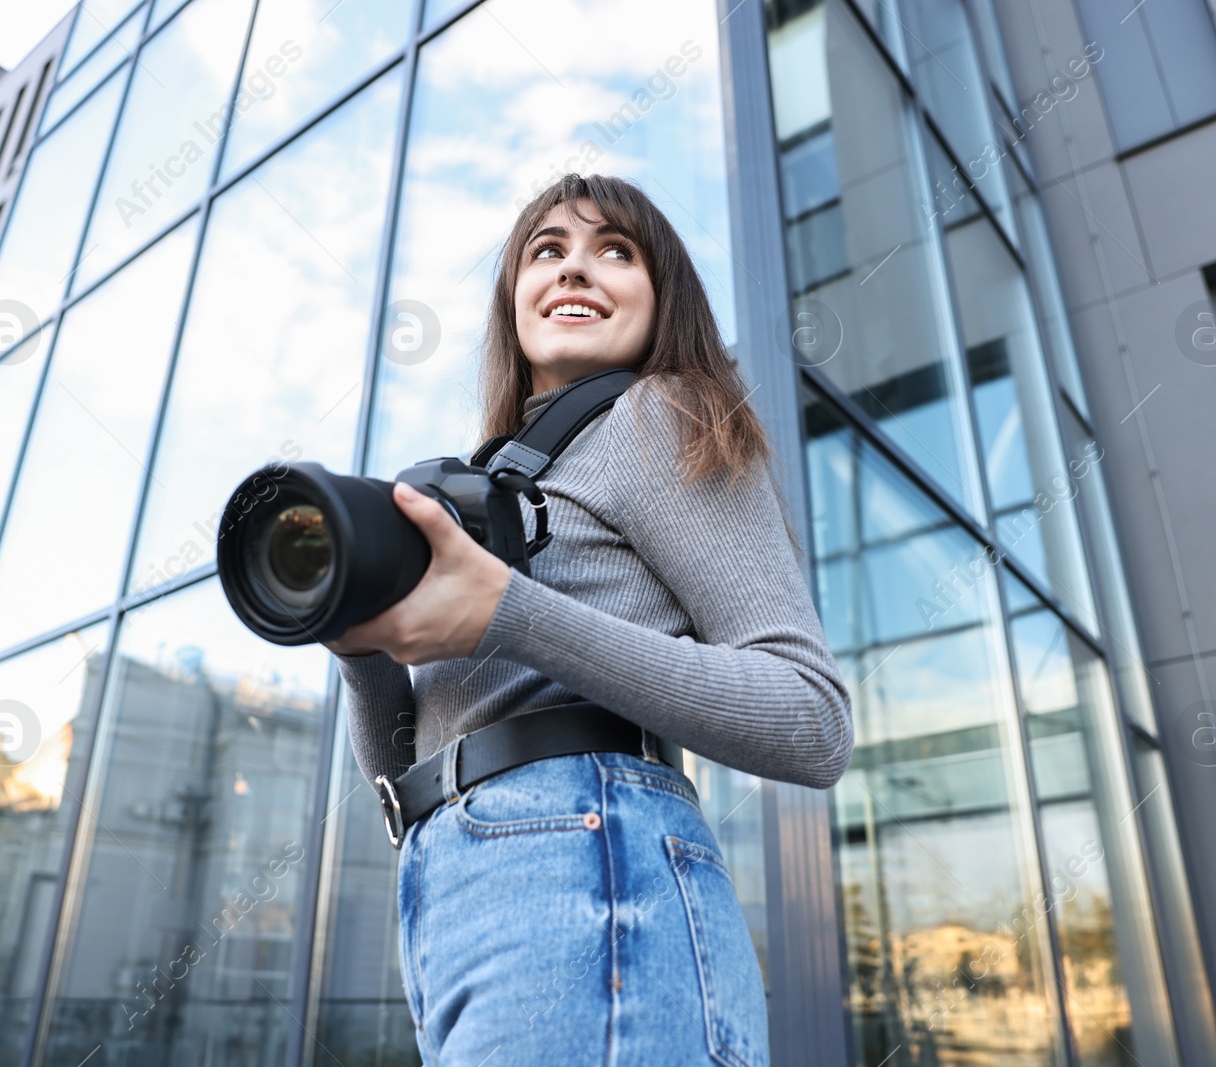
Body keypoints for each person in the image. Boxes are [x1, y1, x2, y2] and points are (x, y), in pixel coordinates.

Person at [326, 173, 853, 1065]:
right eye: (547, 251)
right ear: (514, 300)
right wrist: (359, 645)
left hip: (592, 871)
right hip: (453, 883)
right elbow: (406, 777)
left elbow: (812, 718)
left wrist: (511, 610)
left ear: (663, 298)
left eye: (616, 251)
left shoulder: (663, 412)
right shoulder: (489, 488)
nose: (576, 269)